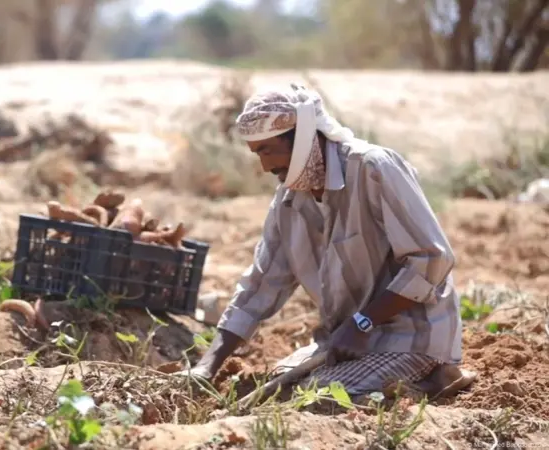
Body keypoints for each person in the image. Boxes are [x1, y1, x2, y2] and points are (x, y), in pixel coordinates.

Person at [184, 83, 476, 400]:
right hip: (344, 341)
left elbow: (432, 259)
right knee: (275, 388)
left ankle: (432, 376)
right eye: (258, 154)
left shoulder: (373, 168)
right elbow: (261, 283)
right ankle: (407, 381)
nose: (266, 166)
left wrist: (363, 323)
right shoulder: (288, 201)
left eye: (269, 150)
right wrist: (207, 366)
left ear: (304, 136)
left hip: (408, 337)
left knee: (313, 401)